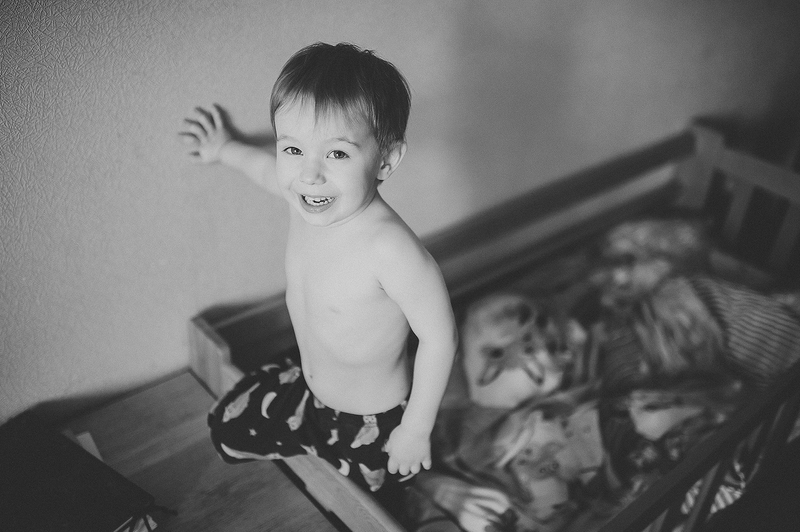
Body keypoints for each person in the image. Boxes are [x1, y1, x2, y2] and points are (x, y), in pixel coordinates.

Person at [180, 42, 458, 514]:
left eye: (337, 154)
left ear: (386, 161)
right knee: (224, 430)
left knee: (365, 511)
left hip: (368, 419)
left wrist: (415, 428)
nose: (309, 174)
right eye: (293, 148)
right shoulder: (302, 197)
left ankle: (422, 485)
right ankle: (309, 438)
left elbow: (440, 338)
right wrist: (224, 148)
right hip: (308, 386)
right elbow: (266, 170)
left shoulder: (390, 249)